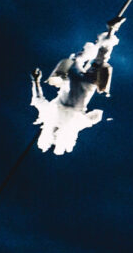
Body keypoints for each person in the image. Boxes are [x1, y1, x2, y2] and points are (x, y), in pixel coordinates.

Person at [31, 18, 123, 155]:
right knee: (79, 60)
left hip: (86, 85)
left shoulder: (72, 124)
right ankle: (109, 32)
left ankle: (111, 31)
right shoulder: (49, 115)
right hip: (74, 79)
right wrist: (35, 81)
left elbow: (96, 116)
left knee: (100, 61)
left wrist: (90, 115)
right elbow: (38, 99)